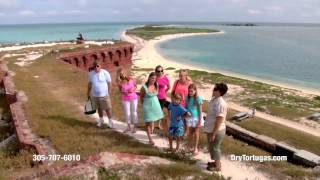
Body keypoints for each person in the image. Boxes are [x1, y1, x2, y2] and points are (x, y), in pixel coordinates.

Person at [204, 83, 228, 172]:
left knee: (215, 148)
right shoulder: (215, 99)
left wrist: (214, 133)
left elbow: (219, 120)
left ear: (220, 92)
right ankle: (215, 162)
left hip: (217, 130)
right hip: (211, 129)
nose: (213, 90)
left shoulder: (221, 104)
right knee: (212, 147)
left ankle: (218, 166)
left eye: (215, 89)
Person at [87, 60, 114, 128]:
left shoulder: (105, 73)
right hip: (94, 95)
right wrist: (88, 92)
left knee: (108, 108)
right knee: (99, 108)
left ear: (100, 66)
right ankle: (101, 120)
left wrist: (109, 91)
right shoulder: (91, 74)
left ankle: (110, 121)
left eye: (97, 66)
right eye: (94, 66)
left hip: (104, 95)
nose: (96, 67)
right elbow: (90, 84)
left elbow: (109, 82)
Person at [140, 72, 164, 145]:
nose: (153, 80)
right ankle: (150, 139)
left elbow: (156, 94)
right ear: (149, 78)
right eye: (152, 78)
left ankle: (153, 127)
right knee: (147, 122)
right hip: (147, 106)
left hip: (156, 105)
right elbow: (141, 97)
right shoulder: (144, 87)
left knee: (158, 118)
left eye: (155, 78)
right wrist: (144, 105)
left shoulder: (156, 84)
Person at [116, 68, 138, 133]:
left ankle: (135, 127)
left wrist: (132, 90)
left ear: (125, 73)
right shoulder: (119, 82)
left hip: (134, 98)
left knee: (134, 112)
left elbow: (135, 86)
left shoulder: (130, 78)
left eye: (123, 73)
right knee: (127, 113)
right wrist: (123, 92)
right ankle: (128, 127)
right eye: (120, 74)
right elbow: (120, 91)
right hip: (125, 99)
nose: (122, 74)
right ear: (118, 75)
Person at [171, 69, 192, 136]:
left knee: (186, 119)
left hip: (186, 104)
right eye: (179, 75)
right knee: (177, 118)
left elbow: (193, 93)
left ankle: (186, 131)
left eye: (182, 75)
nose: (180, 77)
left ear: (186, 76)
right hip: (177, 104)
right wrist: (172, 101)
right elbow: (172, 92)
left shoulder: (190, 83)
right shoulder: (176, 82)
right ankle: (178, 132)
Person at [185, 84, 203, 155]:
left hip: (196, 118)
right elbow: (186, 108)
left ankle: (195, 148)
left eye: (192, 91)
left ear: (195, 91)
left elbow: (200, 111)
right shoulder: (187, 97)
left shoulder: (198, 98)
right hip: (189, 118)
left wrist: (199, 121)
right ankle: (189, 146)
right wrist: (185, 115)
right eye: (189, 91)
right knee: (190, 133)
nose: (190, 92)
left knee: (196, 133)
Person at [153, 65, 170, 132]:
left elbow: (169, 87)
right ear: (156, 71)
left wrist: (164, 92)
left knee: (160, 111)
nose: (160, 72)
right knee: (154, 111)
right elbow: (150, 86)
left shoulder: (165, 78)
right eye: (158, 71)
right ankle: (152, 124)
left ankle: (158, 124)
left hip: (162, 98)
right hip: (154, 97)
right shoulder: (154, 78)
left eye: (161, 71)